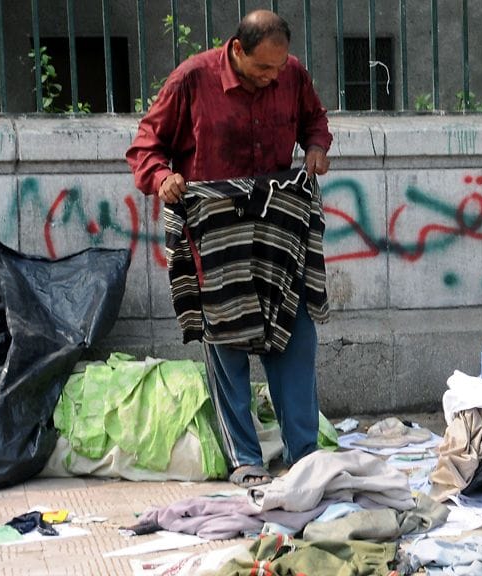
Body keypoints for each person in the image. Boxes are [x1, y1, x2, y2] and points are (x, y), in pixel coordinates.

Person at [126, 10, 332, 488]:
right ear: (237, 51)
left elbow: (314, 120)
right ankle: (246, 459)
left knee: (295, 340)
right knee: (227, 347)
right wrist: (164, 177)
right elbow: (145, 147)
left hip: (279, 240)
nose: (273, 77)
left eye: (279, 69)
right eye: (263, 69)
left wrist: (316, 146)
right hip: (217, 244)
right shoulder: (191, 80)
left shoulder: (291, 73)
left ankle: (303, 455)